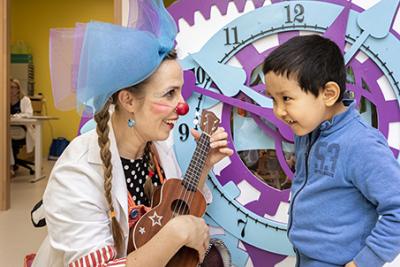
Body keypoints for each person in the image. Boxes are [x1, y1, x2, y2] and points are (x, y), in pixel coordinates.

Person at [31, 1, 233, 266]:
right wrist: (176, 233)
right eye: (170, 93)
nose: (182, 106)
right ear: (128, 101)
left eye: (180, 92)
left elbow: (170, 207)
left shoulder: (157, 146)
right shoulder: (77, 170)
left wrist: (203, 166)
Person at [262, 35, 400, 267]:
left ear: (328, 94)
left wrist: (365, 262)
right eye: (274, 100)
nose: (278, 111)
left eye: (286, 98)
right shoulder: (308, 132)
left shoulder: (361, 144)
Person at [10, 78, 35, 174]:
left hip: (22, 130)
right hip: (7, 129)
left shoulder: (25, 100)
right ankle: (9, 165)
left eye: (13, 87)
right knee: (5, 136)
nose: (10, 90)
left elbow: (29, 114)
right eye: (8, 87)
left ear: (18, 89)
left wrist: (16, 116)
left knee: (5, 137)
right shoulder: (4, 100)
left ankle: (10, 167)